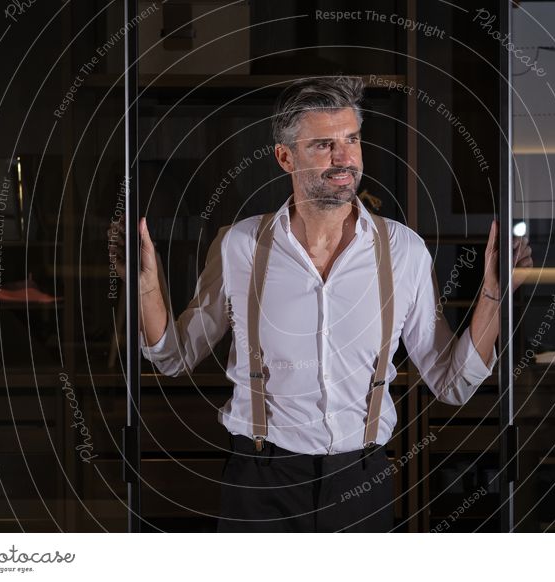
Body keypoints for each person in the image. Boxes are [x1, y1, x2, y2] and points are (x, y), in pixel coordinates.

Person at [110, 76, 532, 532]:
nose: (344, 158)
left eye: (351, 140)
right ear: (285, 157)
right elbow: (174, 357)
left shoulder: (403, 252)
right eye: (324, 145)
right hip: (259, 482)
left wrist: (494, 294)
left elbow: (453, 383)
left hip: (361, 482)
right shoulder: (240, 247)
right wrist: (146, 287)